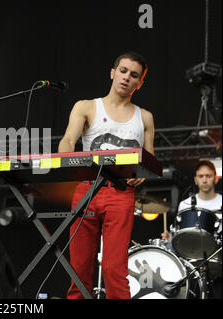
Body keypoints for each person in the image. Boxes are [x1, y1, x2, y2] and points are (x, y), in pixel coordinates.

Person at [58, 52, 155, 299]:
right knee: (79, 269)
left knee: (114, 268)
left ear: (139, 83)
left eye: (134, 75)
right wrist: (68, 164)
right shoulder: (86, 106)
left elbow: (149, 159)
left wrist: (141, 173)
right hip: (87, 190)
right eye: (123, 71)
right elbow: (68, 140)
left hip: (121, 193)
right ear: (113, 73)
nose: (126, 77)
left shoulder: (144, 117)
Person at [162, 160, 221, 240]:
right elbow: (181, 236)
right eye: (200, 176)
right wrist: (170, 238)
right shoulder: (185, 204)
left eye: (208, 176)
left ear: (216, 178)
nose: (204, 180)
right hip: (192, 249)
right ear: (195, 180)